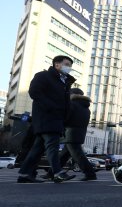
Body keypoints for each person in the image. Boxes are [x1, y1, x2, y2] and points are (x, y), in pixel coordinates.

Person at [17, 55, 76, 183]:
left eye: (70, 65)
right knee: (52, 146)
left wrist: (64, 116)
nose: (69, 68)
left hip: (56, 119)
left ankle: (24, 174)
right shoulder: (43, 76)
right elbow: (34, 92)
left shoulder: (64, 81)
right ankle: (58, 172)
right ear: (57, 64)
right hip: (46, 118)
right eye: (67, 64)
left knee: (38, 149)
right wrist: (51, 107)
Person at [44, 88, 97, 181]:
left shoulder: (72, 104)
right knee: (63, 156)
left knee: (78, 155)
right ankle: (51, 173)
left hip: (70, 133)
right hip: (79, 133)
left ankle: (90, 174)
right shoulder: (86, 107)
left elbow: (66, 118)